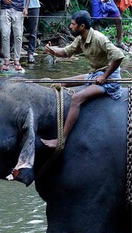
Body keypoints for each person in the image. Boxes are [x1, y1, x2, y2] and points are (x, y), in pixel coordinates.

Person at [41, 10, 125, 149]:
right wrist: (52, 50)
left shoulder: (99, 38)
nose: (70, 26)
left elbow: (119, 56)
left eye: (73, 24)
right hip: (95, 74)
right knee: (62, 82)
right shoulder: (81, 39)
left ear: (82, 26)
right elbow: (66, 52)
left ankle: (62, 140)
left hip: (110, 78)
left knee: (77, 98)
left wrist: (105, 77)